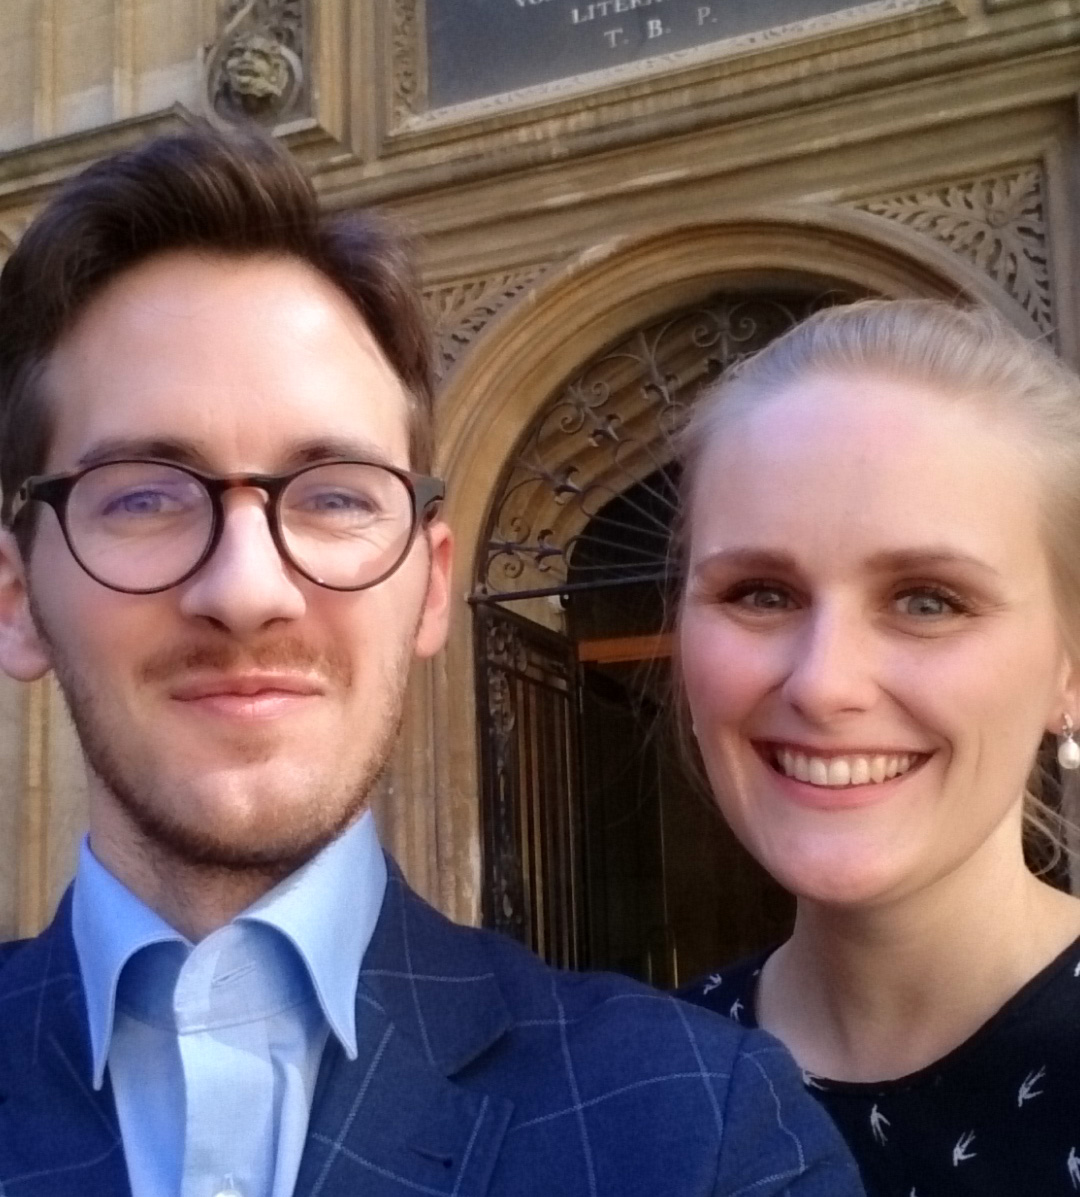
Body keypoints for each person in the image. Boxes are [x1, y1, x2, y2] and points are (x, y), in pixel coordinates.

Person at [0, 124, 862, 1197]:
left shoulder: (697, 1127)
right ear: (18, 601)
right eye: (141, 497)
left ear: (430, 583)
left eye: (334, 498)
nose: (247, 589)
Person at [675, 298, 1080, 1195]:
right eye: (761, 593)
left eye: (929, 600)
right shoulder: (627, 1086)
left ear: (1070, 669)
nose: (825, 683)